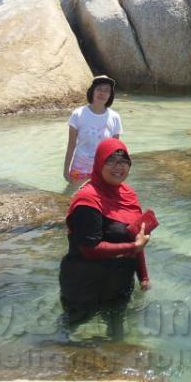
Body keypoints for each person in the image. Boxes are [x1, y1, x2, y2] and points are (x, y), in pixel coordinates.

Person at [59, 138, 153, 329]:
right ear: (99, 163)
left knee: (118, 334)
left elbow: (137, 236)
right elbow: (89, 248)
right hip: (85, 285)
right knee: (70, 332)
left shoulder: (128, 194)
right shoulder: (88, 199)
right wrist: (133, 247)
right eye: (110, 160)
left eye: (123, 161)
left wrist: (143, 276)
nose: (118, 167)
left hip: (119, 284)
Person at [63, 75, 122, 183]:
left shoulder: (115, 117)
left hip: (103, 170)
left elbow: (115, 150)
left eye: (107, 91)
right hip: (79, 169)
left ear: (110, 95)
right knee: (75, 198)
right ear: (92, 91)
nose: (102, 93)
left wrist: (115, 173)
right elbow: (71, 145)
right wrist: (66, 171)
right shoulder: (78, 114)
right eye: (99, 89)